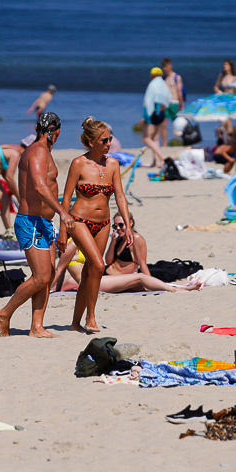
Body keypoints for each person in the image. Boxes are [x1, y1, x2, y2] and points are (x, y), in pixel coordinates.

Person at [0, 112, 75, 338]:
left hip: (43, 223)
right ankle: (3, 314)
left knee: (47, 277)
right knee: (41, 277)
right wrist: (63, 213)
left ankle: (36, 327)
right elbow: (39, 186)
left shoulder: (41, 151)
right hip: (31, 222)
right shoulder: (38, 151)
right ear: (57, 131)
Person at [59, 117, 132, 333]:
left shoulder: (113, 164)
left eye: (110, 139)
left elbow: (120, 196)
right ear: (91, 142)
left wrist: (128, 226)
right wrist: (63, 229)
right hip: (79, 221)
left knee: (91, 272)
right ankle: (91, 317)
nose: (109, 144)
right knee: (99, 266)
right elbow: (66, 198)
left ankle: (75, 323)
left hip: (104, 223)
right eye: (104, 141)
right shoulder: (78, 163)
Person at [53, 241, 195, 294]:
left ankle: (180, 288)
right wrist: (50, 291)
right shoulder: (70, 245)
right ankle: (174, 290)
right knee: (140, 277)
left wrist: (57, 289)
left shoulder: (77, 242)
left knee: (140, 286)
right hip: (92, 282)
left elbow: (63, 271)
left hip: (91, 280)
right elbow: (60, 269)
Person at [103, 212, 150, 276]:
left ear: (130, 223)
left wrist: (149, 280)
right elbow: (108, 261)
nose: (118, 228)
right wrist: (112, 242)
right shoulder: (119, 239)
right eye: (115, 226)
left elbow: (142, 264)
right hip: (107, 272)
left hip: (118, 277)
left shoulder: (136, 238)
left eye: (121, 225)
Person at [141, 67, 170, 167]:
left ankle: (162, 157)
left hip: (153, 113)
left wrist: (145, 117)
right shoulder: (164, 84)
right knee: (155, 138)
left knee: (146, 138)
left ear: (151, 75)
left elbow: (148, 102)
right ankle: (155, 161)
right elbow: (168, 98)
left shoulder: (152, 84)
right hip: (162, 112)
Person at [160, 58, 184, 147]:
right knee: (163, 124)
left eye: (166, 67)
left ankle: (185, 141)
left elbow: (179, 92)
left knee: (178, 124)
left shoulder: (176, 77)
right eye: (163, 67)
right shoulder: (163, 78)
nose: (164, 69)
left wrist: (182, 105)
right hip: (165, 104)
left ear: (170, 66)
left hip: (174, 102)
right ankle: (164, 144)